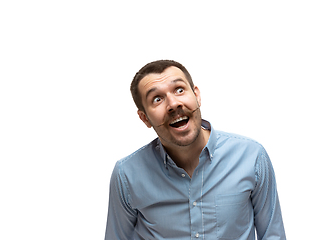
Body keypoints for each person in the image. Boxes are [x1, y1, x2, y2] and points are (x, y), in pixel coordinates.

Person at [105, 60, 286, 240]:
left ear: (197, 95)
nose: (173, 104)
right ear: (144, 118)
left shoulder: (251, 156)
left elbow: (273, 235)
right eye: (157, 99)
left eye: (179, 90)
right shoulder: (127, 174)